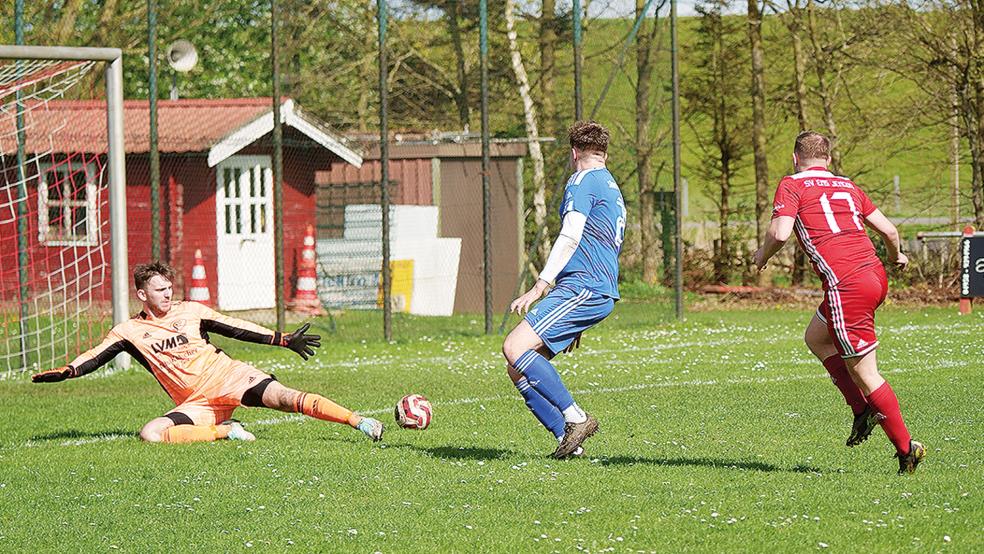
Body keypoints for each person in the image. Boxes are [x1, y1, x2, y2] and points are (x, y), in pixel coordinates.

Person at [32, 261, 384, 444]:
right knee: (150, 434)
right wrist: (69, 371)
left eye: (170, 288)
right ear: (142, 294)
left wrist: (282, 339)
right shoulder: (130, 331)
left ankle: (360, 422)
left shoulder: (191, 310)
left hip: (228, 377)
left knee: (285, 397)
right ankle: (226, 431)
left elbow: (235, 326)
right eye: (160, 290)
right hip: (196, 403)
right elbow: (96, 355)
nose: (168, 294)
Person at [753, 131, 925, 475]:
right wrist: (897, 256)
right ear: (828, 160)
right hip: (874, 275)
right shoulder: (847, 186)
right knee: (816, 337)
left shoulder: (793, 184)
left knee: (866, 373)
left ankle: (907, 449)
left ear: (794, 158)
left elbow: (780, 233)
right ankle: (860, 410)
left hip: (847, 286)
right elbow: (889, 232)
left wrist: (761, 256)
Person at [503, 120, 626, 459]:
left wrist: (540, 286)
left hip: (583, 286)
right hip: (590, 289)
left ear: (574, 153)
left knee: (514, 346)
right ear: (603, 152)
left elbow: (571, 235)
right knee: (518, 366)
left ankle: (576, 418)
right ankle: (568, 443)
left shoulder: (582, 180)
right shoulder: (611, 186)